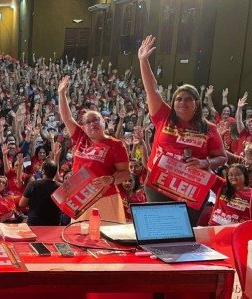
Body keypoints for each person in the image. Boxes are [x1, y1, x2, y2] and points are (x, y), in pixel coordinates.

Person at [138, 36, 227, 225]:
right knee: (157, 228)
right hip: (159, 183)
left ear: (196, 103)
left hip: (191, 186)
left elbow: (222, 157)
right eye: (178, 99)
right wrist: (143, 60)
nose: (182, 102)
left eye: (188, 99)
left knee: (184, 231)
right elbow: (152, 90)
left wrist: (204, 162)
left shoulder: (209, 129)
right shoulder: (164, 116)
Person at [58, 75, 131, 223]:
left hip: (106, 197)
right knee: (79, 237)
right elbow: (67, 117)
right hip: (80, 197)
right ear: (83, 127)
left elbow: (126, 174)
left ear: (104, 122)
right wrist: (61, 94)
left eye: (96, 120)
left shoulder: (116, 145)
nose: (92, 124)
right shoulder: (80, 138)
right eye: (88, 122)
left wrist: (110, 179)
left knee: (106, 240)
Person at [19, 160, 60, 226]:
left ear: (43, 171)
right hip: (54, 224)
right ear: (55, 172)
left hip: (35, 223)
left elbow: (22, 204)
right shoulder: (60, 187)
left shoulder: (33, 185)